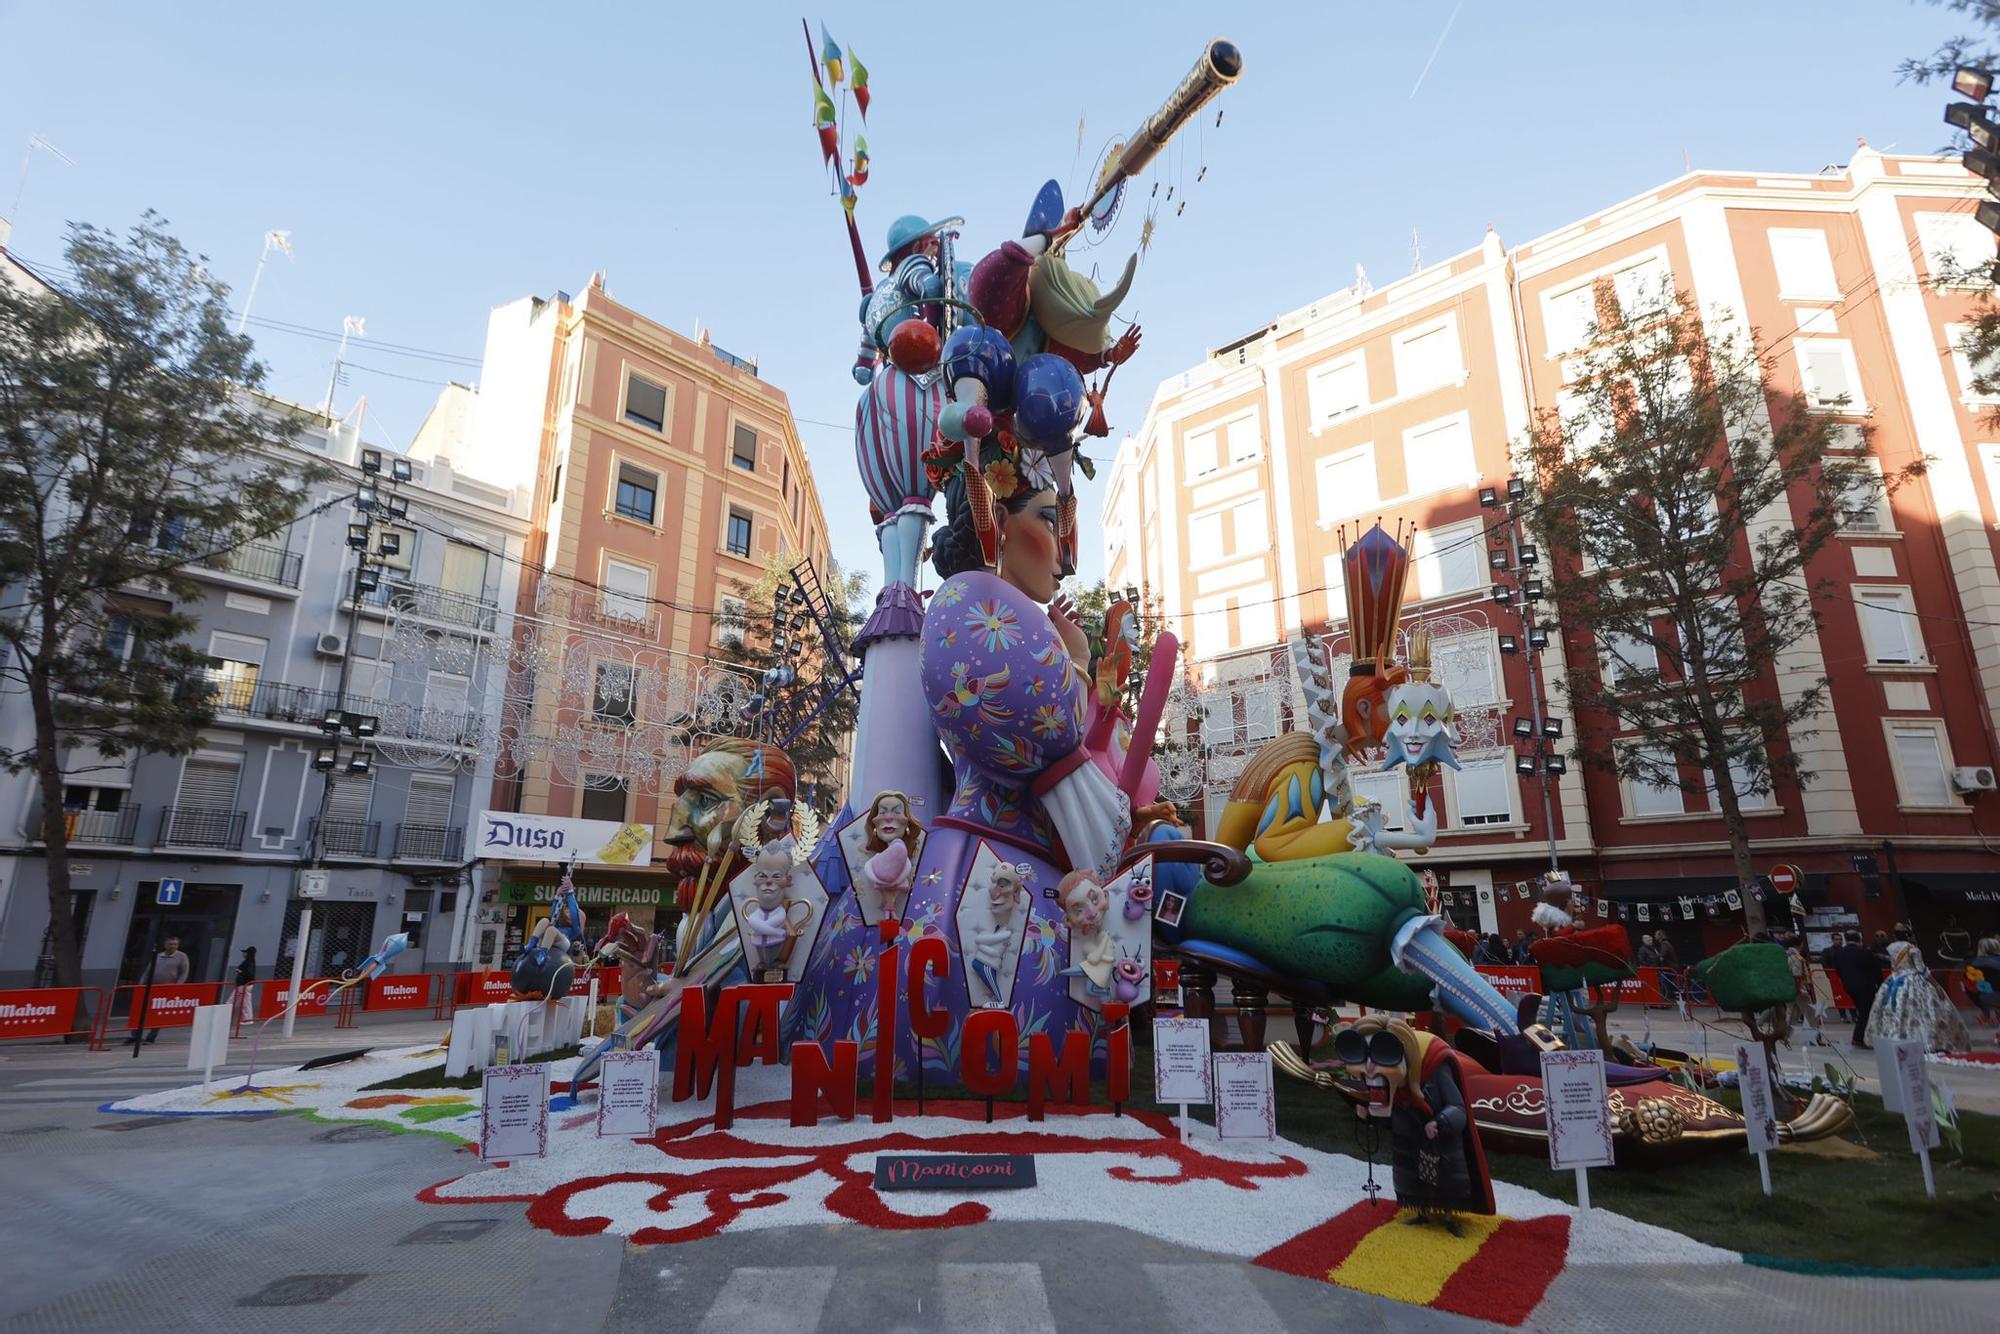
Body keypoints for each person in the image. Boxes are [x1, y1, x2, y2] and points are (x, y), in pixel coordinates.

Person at [1866, 938, 1973, 1052]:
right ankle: (1927, 1040)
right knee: (1922, 1012)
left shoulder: (1892, 947)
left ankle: (1894, 1038)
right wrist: (1936, 986)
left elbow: (1893, 964)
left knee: (1896, 1012)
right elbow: (1922, 969)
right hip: (1913, 982)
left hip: (1895, 980)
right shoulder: (1913, 950)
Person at [1824, 930, 1884, 1050]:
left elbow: (1838, 970)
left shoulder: (1839, 954)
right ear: (1859, 940)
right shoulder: (1865, 953)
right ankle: (1859, 1038)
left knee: (1862, 1010)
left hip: (1849, 986)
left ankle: (1865, 1036)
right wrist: (1880, 984)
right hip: (1866, 986)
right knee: (1866, 1012)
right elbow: (1875, 970)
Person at [131, 935, 189, 1046]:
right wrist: (141, 984)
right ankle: (135, 1035)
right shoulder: (158, 956)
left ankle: (151, 1037)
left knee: (157, 1013)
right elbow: (148, 971)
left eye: (175, 944)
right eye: (170, 944)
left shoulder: (182, 957)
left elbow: (184, 973)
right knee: (142, 1011)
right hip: (152, 987)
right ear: (165, 945)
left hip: (166, 989)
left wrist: (177, 986)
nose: (173, 946)